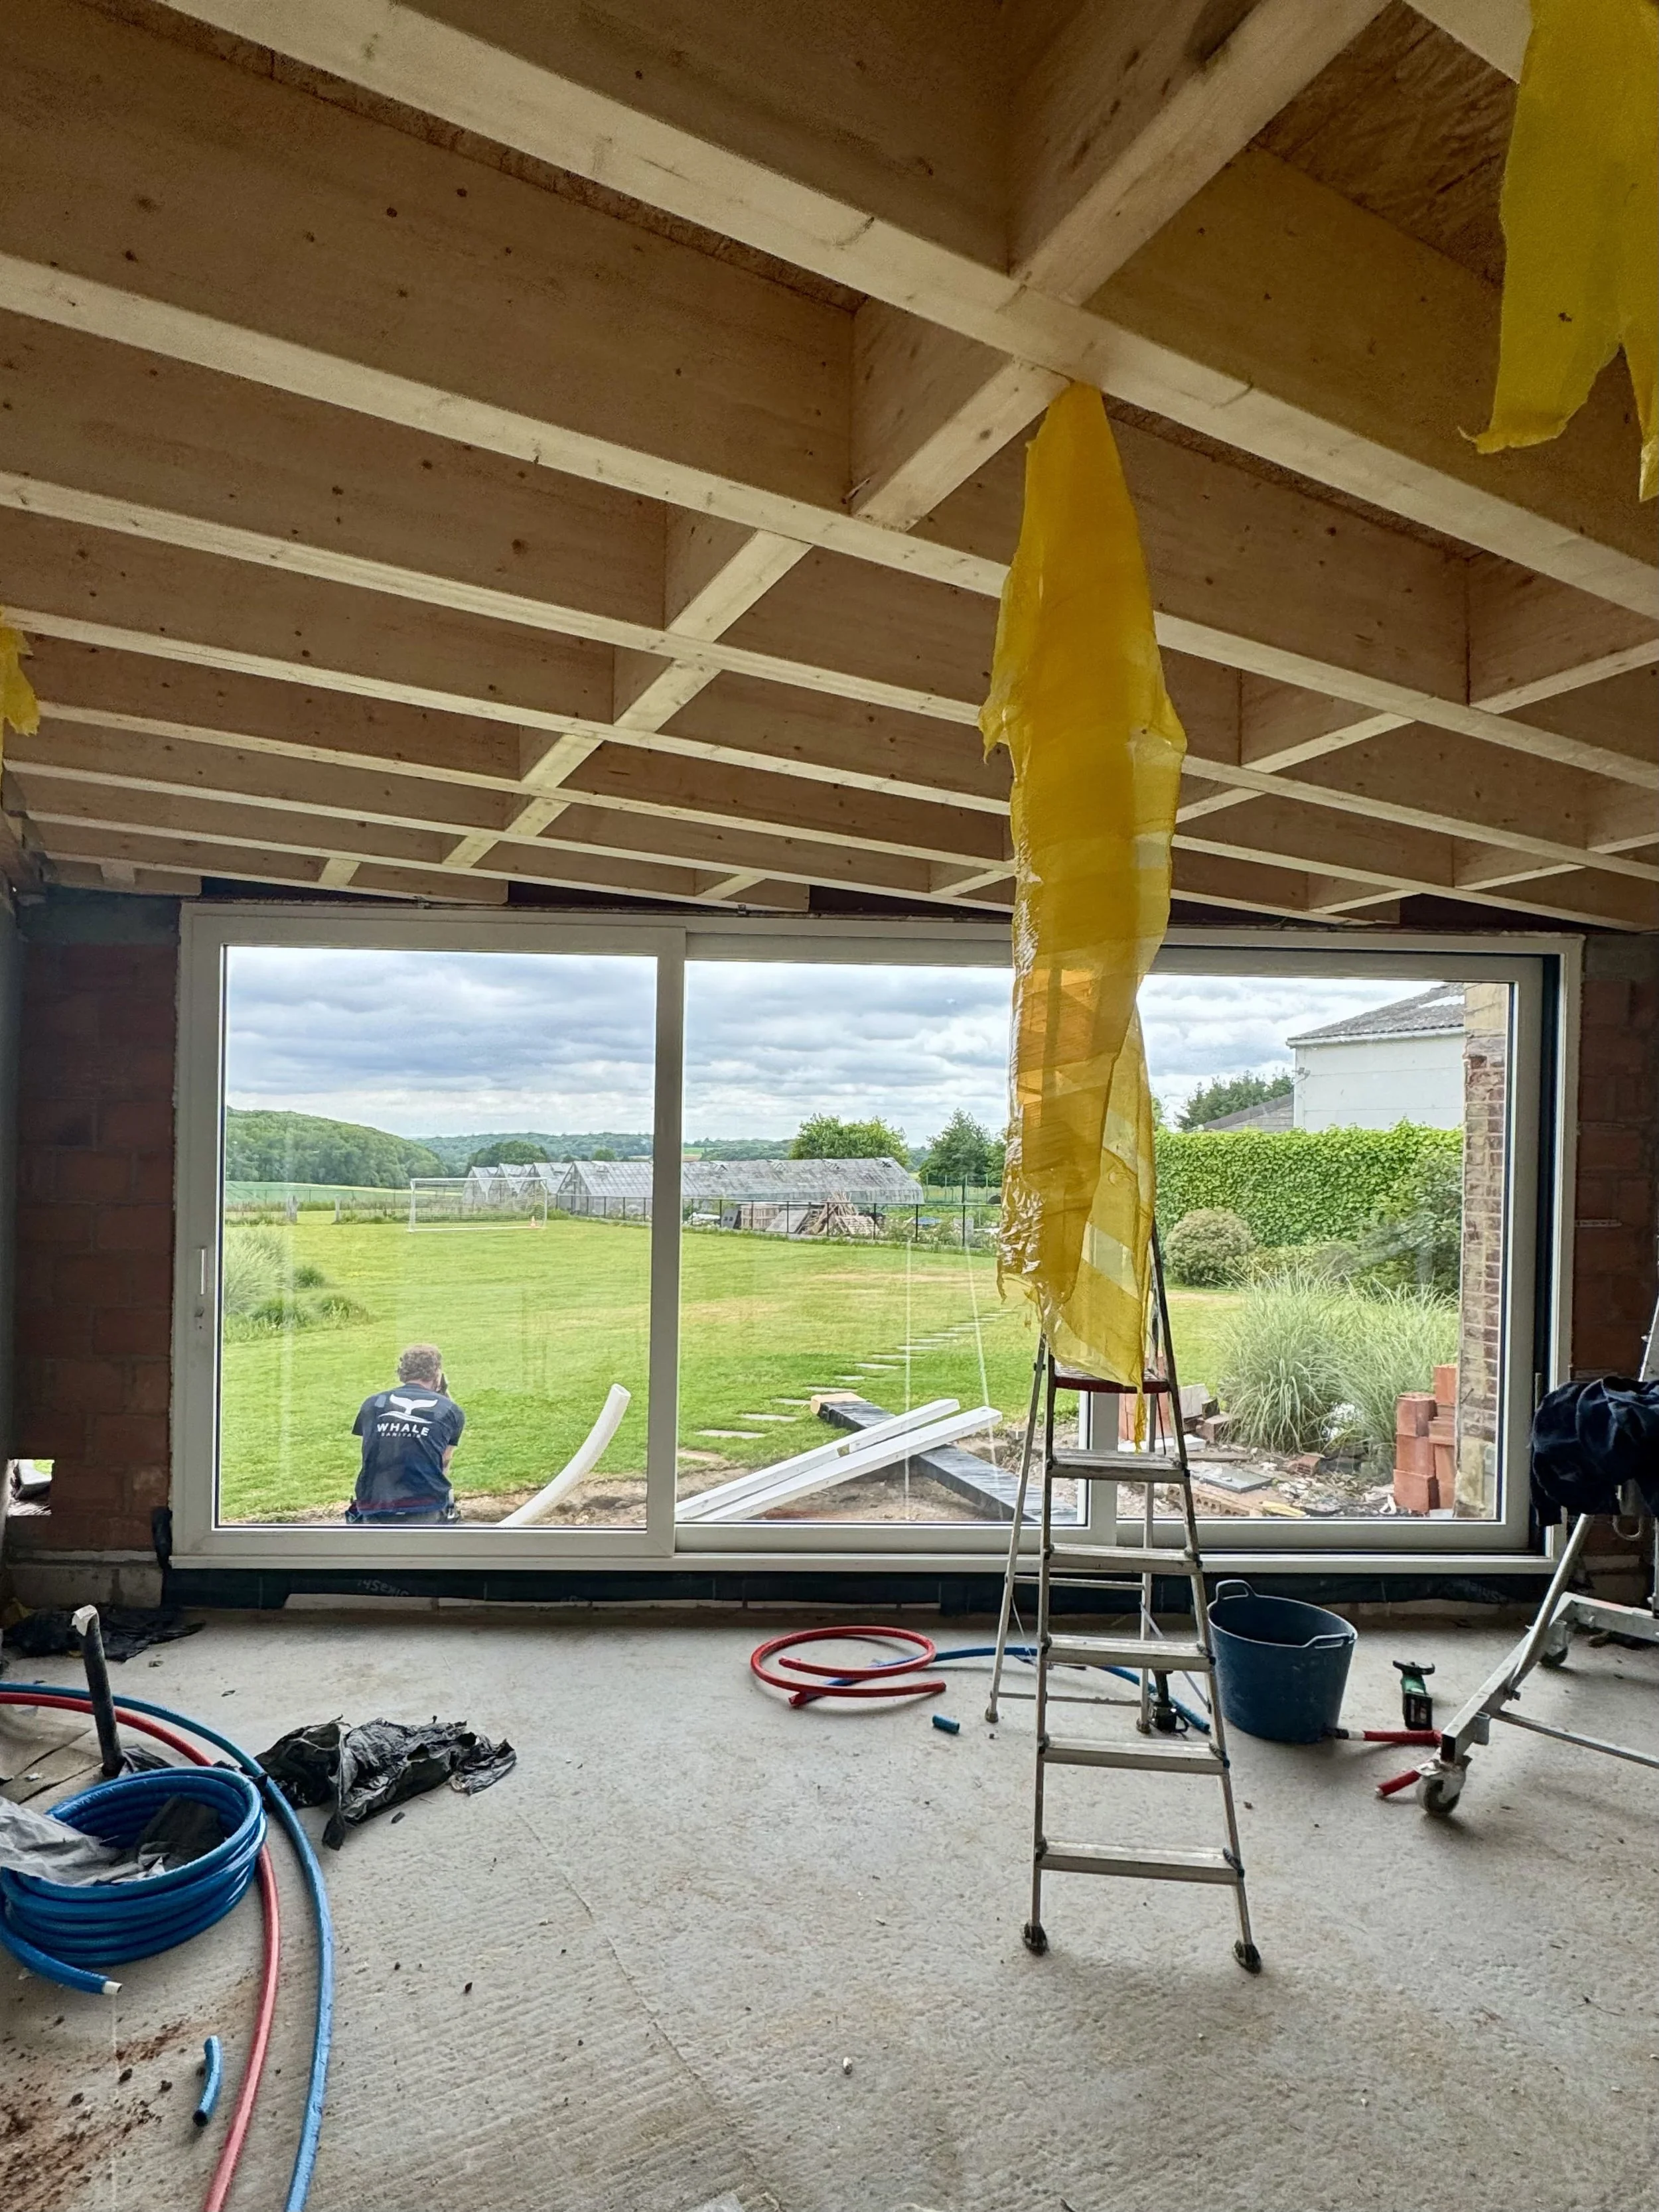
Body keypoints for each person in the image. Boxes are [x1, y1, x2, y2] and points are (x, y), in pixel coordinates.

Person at [346, 1345, 464, 1524]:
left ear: (403, 1372)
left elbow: (373, 1449)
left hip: (375, 1503)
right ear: (437, 1374)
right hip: (424, 1504)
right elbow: (444, 1462)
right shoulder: (449, 1410)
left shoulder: (373, 1404)